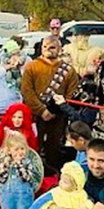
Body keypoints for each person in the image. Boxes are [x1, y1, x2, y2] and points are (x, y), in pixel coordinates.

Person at [20, 35, 79, 173]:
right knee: (33, 148)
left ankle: (53, 178)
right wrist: (42, 110)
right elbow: (26, 91)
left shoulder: (69, 71)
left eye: (52, 47)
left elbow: (71, 94)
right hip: (34, 117)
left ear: (59, 49)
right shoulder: (32, 67)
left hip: (58, 118)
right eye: (45, 47)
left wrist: (57, 110)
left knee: (54, 150)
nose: (48, 50)